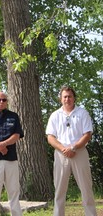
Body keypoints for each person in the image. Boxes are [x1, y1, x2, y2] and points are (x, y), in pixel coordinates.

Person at [46, 86, 97, 216]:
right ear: (60, 99)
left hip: (79, 153)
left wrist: (73, 147)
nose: (67, 99)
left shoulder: (82, 113)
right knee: (60, 190)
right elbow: (50, 137)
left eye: (70, 96)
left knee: (86, 188)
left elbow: (87, 134)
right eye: (65, 97)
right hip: (61, 154)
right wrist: (64, 149)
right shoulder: (55, 115)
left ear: (74, 98)